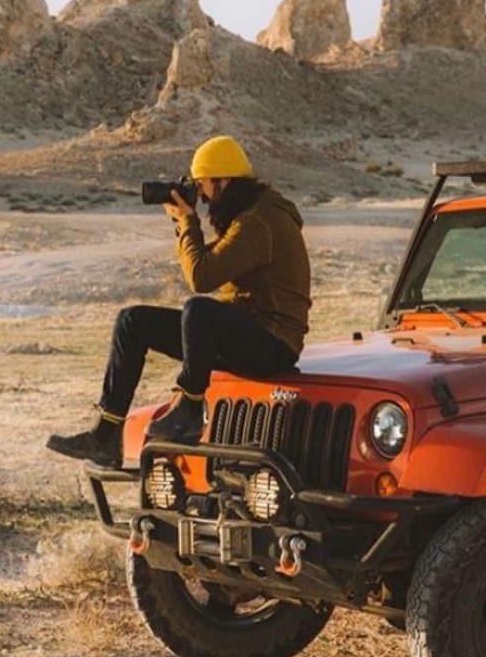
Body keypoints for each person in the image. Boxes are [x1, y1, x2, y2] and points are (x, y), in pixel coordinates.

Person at [45, 135, 311, 469]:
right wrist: (183, 223)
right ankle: (106, 435)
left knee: (198, 310)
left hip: (274, 342)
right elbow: (207, 265)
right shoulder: (248, 215)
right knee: (132, 321)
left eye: (202, 185)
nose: (199, 194)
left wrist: (187, 222)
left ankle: (188, 411)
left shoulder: (258, 221)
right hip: (246, 330)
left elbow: (201, 278)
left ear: (224, 181)